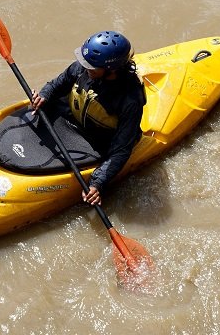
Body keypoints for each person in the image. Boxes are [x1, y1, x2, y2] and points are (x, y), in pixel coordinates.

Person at [30, 31, 146, 206]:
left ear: (111, 70)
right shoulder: (85, 68)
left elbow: (121, 149)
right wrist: (44, 96)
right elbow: (56, 85)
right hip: (73, 120)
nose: (85, 67)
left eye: (92, 66)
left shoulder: (129, 100)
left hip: (99, 139)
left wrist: (97, 183)